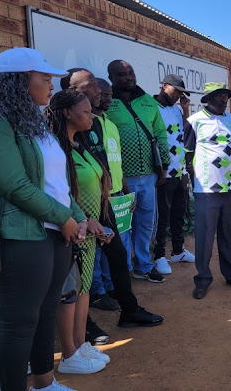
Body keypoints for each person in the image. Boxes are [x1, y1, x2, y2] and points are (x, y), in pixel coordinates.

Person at [0, 47, 87, 391]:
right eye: (44, 78)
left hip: (55, 233)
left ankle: (43, 382)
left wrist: (78, 217)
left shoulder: (36, 122)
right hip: (20, 235)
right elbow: (14, 184)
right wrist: (64, 218)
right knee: (18, 322)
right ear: (19, 81)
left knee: (45, 313)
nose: (52, 84)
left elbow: (56, 182)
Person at [62, 71, 164, 344]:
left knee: (118, 256)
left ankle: (129, 310)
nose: (97, 91)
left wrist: (116, 190)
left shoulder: (92, 126)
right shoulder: (61, 139)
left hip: (103, 203)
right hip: (76, 213)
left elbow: (102, 164)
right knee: (80, 269)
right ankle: (85, 326)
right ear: (72, 96)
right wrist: (81, 216)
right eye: (90, 87)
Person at [46, 90, 111, 375]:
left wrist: (98, 221)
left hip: (89, 229)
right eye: (84, 112)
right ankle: (68, 353)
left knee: (84, 288)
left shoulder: (79, 143)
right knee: (69, 291)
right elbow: (61, 192)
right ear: (66, 113)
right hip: (72, 229)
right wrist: (82, 219)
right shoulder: (56, 148)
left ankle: (80, 343)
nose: (91, 116)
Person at [106, 60, 170, 283]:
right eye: (122, 74)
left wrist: (164, 166)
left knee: (145, 223)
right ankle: (124, 268)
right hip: (121, 178)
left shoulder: (148, 102)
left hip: (149, 174)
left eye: (131, 72)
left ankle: (143, 265)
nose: (128, 77)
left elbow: (160, 134)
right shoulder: (107, 102)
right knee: (123, 226)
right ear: (111, 78)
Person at [186, 82, 231, 299]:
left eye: (226, 96)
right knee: (205, 235)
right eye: (219, 96)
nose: (224, 100)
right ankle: (203, 279)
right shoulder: (194, 121)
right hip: (206, 188)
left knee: (230, 233)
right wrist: (193, 181)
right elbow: (188, 154)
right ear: (208, 98)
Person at [153, 74, 195, 275]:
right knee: (162, 216)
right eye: (176, 91)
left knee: (179, 213)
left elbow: (183, 135)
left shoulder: (176, 109)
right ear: (164, 86)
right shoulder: (152, 107)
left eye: (181, 93)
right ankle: (159, 255)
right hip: (163, 172)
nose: (179, 95)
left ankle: (178, 250)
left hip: (179, 171)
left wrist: (185, 111)